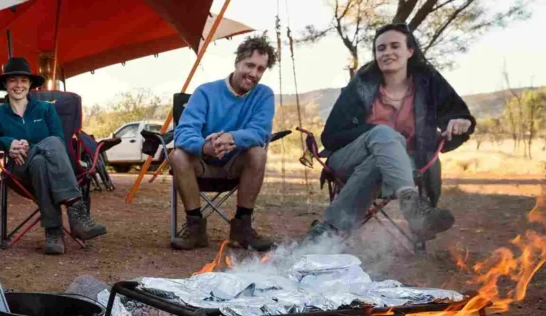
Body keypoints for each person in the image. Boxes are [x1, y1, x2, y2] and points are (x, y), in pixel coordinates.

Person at [307, 23, 474, 241]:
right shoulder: (362, 84)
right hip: (348, 158)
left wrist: (461, 121)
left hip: (401, 165)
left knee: (381, 158)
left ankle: (329, 231)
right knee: (384, 135)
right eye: (381, 48)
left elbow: (459, 113)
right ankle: (413, 208)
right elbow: (330, 136)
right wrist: (374, 133)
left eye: (395, 46)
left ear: (410, 51)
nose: (387, 52)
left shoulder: (427, 80)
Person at [0, 57, 105, 255]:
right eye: (13, 80)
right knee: (47, 147)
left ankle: (53, 231)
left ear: (30, 85)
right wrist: (8, 143)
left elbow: (59, 142)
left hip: (46, 168)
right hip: (18, 170)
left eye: (23, 81)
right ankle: (76, 210)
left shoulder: (45, 109)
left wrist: (30, 147)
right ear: (5, 84)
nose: (18, 85)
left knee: (40, 160)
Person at [170, 35, 278, 252]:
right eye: (250, 65)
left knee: (258, 153)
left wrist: (232, 137)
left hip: (235, 165)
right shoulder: (205, 92)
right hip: (203, 163)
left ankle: (242, 228)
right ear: (237, 61)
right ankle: (195, 228)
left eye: (260, 69)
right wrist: (204, 146)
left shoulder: (264, 95)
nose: (254, 74)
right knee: (177, 155)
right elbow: (184, 131)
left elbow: (260, 132)